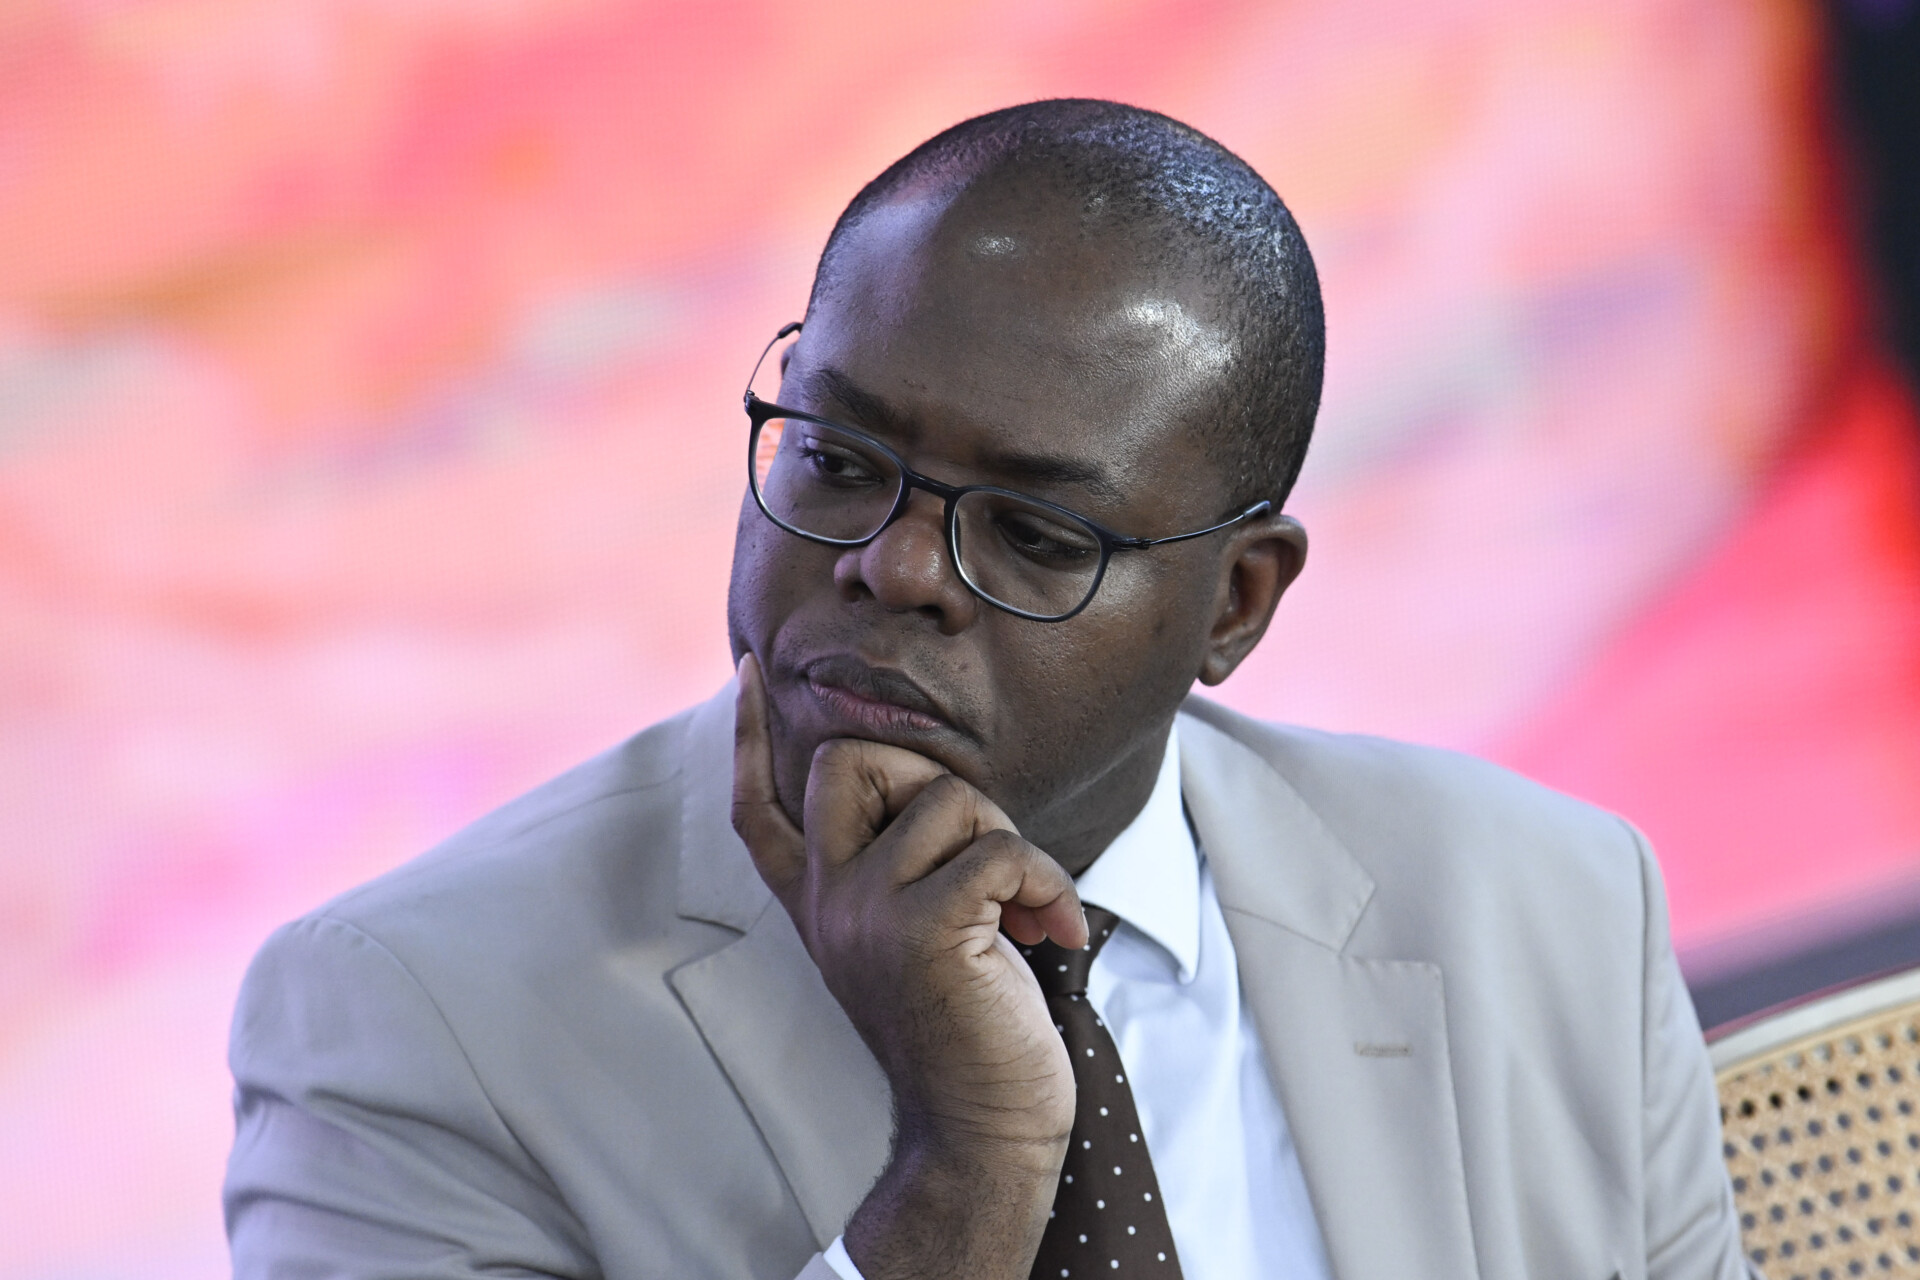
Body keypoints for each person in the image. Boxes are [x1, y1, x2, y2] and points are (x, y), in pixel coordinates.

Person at [223, 100, 1755, 1280]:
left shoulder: (1546, 900)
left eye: (1033, 534)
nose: (892, 567)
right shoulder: (412, 1021)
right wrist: (963, 1179)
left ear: (1234, 604)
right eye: (839, 458)